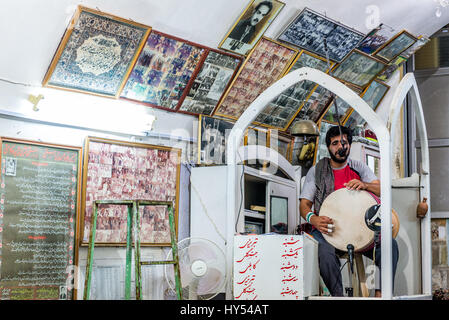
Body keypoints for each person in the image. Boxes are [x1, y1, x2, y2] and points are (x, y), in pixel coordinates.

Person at [299, 125, 399, 297]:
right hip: (328, 231)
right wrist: (313, 219)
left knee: (390, 245)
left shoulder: (358, 167)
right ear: (328, 147)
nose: (340, 147)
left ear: (349, 146)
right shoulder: (317, 171)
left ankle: (381, 294)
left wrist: (365, 185)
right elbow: (304, 204)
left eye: (343, 143)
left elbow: (383, 191)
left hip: (359, 231)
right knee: (325, 253)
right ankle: (339, 297)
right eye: (335, 143)